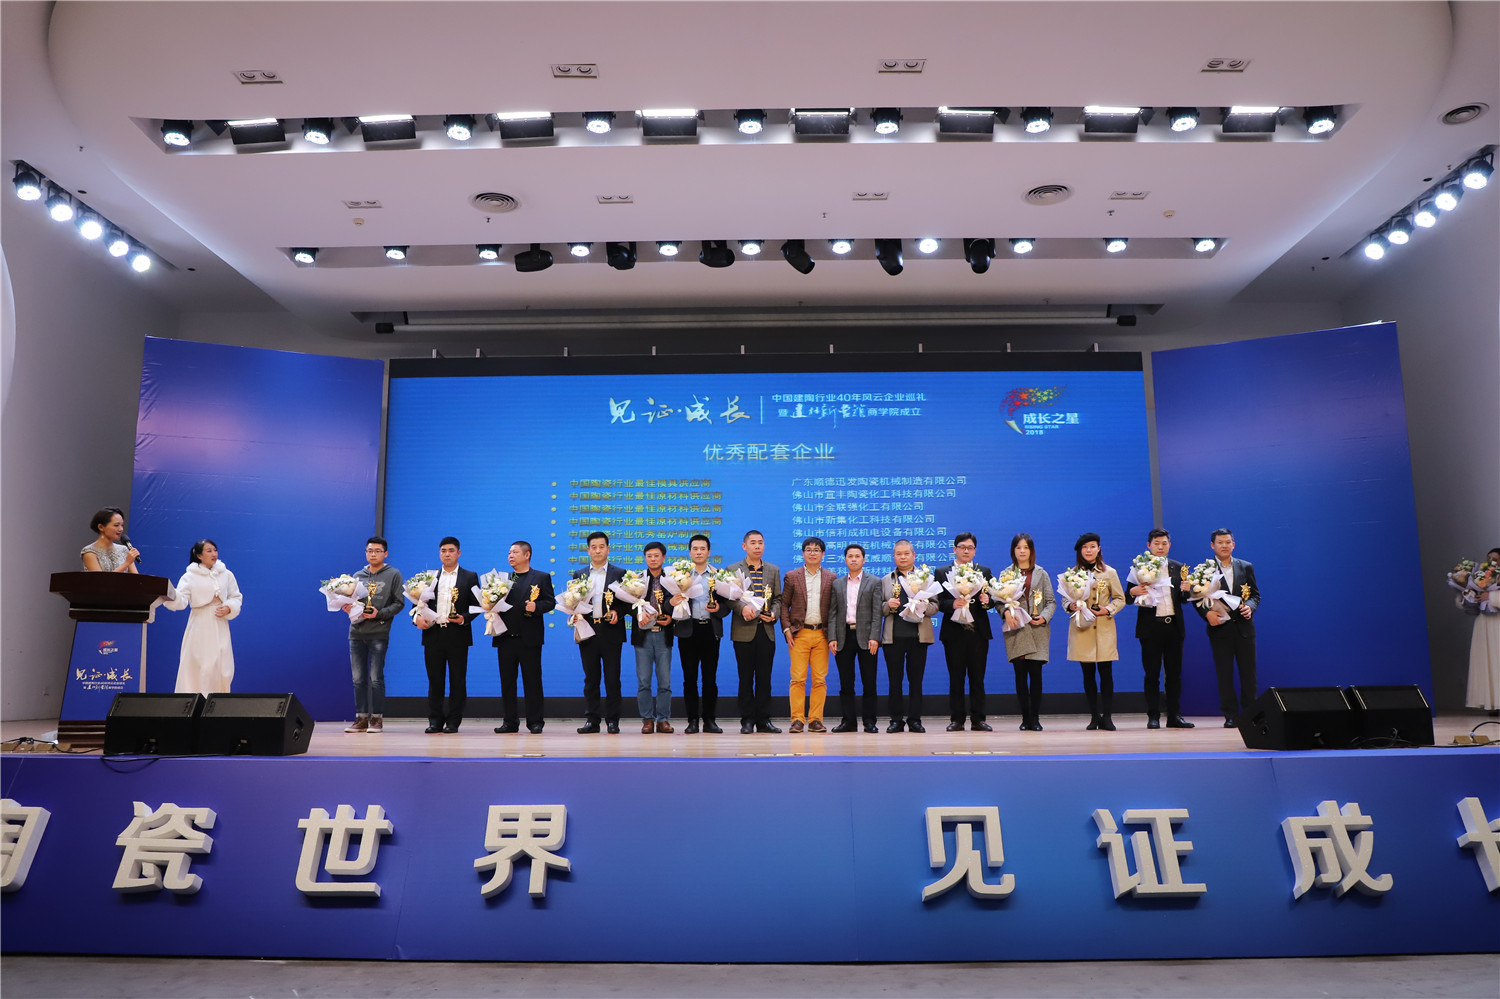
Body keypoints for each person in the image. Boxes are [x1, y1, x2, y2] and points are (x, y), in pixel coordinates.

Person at [1128, 529, 1195, 730]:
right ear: (1148, 545)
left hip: (1173, 626)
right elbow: (1128, 596)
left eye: (1164, 543)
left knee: (1174, 675)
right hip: (1151, 627)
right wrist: (1133, 591)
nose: (1160, 547)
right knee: (1152, 674)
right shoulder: (1139, 567)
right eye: (1156, 543)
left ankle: (1174, 715)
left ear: (1169, 545)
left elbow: (1184, 600)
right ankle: (1153, 716)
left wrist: (1187, 590)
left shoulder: (1178, 567)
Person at [1196, 529, 1261, 727]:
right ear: (1212, 545)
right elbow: (1197, 597)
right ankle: (1230, 715)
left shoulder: (1245, 566)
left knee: (1249, 674)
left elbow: (1255, 595)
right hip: (1220, 628)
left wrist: (1250, 607)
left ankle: (1250, 713)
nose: (1224, 545)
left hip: (1244, 628)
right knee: (1224, 674)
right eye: (1220, 542)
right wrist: (1207, 614)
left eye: (1228, 542)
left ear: (1234, 544)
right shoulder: (1204, 569)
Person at [414, 536, 479, 734]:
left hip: (458, 634)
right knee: (435, 680)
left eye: (451, 550)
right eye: (443, 551)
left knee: (457, 680)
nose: (447, 554)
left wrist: (463, 618)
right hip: (433, 633)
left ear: (459, 553)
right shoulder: (429, 577)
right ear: (439, 553)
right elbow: (417, 604)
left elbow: (477, 605)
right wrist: (417, 618)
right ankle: (435, 720)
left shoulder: (470, 576)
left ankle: (453, 721)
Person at [1062, 533, 1126, 731]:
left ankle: (1108, 717)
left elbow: (1120, 598)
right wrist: (1071, 606)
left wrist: (1108, 609)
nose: (1088, 550)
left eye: (1092, 546)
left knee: (1106, 673)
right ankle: (1094, 716)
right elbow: (1064, 599)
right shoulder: (1072, 574)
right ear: (1079, 551)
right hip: (1083, 628)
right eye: (1084, 547)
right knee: (1088, 674)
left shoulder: (1109, 572)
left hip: (1104, 628)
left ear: (1099, 549)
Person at [492, 540, 555, 734]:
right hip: (505, 638)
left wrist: (537, 607)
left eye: (515, 552)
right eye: (509, 553)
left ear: (527, 555)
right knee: (507, 683)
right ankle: (510, 721)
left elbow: (550, 602)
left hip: (529, 639)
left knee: (532, 681)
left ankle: (535, 722)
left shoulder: (541, 577)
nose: (510, 556)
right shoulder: (501, 580)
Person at [935, 532, 996, 732]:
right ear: (955, 549)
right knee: (956, 677)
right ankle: (957, 720)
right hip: (953, 632)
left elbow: (993, 599)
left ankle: (978, 719)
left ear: (975, 551)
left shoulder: (984, 571)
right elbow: (937, 602)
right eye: (962, 547)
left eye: (970, 548)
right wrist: (952, 603)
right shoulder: (942, 572)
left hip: (978, 632)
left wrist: (987, 601)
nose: (966, 551)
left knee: (978, 677)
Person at [164, 539, 242, 696]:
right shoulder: (190, 576)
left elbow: (236, 597)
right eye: (209, 551)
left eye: (215, 550)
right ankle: (195, 701)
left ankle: (218, 701)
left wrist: (229, 607)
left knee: (223, 666)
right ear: (199, 555)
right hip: (200, 623)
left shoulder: (226, 574)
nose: (214, 554)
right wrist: (168, 594)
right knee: (201, 664)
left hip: (220, 624)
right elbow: (181, 600)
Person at [346, 536, 404, 733]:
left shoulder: (393, 574)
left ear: (385, 553)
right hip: (356, 633)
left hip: (379, 632)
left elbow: (399, 603)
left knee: (375, 678)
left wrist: (380, 614)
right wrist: (347, 607)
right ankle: (361, 718)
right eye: (369, 550)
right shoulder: (357, 575)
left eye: (377, 551)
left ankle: (376, 719)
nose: (373, 554)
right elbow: (352, 601)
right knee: (358, 679)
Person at [674, 534, 730, 733]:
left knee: (709, 678)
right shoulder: (680, 576)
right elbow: (670, 602)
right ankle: (692, 721)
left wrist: (719, 609)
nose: (699, 552)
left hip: (710, 630)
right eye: (695, 549)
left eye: (702, 549)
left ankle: (709, 720)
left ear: (709, 552)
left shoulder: (718, 574)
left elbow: (727, 604)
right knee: (689, 678)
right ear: (690, 552)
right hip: (688, 630)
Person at [727, 529, 782, 734]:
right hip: (744, 631)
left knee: (764, 678)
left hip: (766, 630)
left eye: (760, 542)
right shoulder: (733, 569)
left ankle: (764, 720)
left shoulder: (773, 570)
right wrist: (742, 608)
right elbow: (729, 598)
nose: (757, 546)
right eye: (753, 543)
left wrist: (774, 613)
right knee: (745, 678)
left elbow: (778, 598)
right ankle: (747, 720)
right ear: (744, 546)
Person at [573, 531, 628, 734]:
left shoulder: (619, 573)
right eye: (593, 547)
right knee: (591, 678)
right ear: (588, 550)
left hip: (611, 631)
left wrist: (618, 612)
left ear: (608, 549)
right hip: (587, 630)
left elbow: (627, 602)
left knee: (612, 678)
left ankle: (613, 721)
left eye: (601, 546)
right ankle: (592, 720)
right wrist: (574, 613)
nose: (598, 550)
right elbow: (573, 600)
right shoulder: (579, 574)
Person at [881, 538, 938, 733]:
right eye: (899, 554)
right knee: (894, 681)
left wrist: (922, 606)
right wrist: (888, 606)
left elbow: (935, 606)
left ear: (914, 555)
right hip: (893, 637)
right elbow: (878, 607)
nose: (903, 557)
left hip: (918, 637)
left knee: (916, 681)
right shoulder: (886, 580)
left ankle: (915, 720)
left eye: (906, 553)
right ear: (894, 556)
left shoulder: (926, 578)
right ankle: (896, 720)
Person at [781, 537, 836, 733]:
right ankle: (797, 720)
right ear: (803, 553)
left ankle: (815, 720)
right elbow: (784, 604)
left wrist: (833, 636)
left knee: (820, 679)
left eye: (816, 550)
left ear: (823, 554)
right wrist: (787, 629)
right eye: (809, 550)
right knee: (797, 679)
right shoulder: (792, 576)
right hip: (799, 633)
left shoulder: (831, 577)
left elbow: (834, 609)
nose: (812, 553)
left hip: (822, 634)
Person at [1001, 533, 1055, 732]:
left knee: (1036, 675)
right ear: (1013, 550)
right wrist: (1005, 612)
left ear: (1031, 550)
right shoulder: (1006, 573)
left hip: (1037, 629)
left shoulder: (1042, 573)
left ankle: (1035, 718)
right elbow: (999, 601)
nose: (1022, 551)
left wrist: (1044, 617)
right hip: (1017, 629)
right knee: (1020, 676)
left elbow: (1051, 602)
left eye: (1026, 547)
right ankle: (1025, 718)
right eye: (1018, 547)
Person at [828, 543, 884, 733]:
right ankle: (848, 721)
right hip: (843, 636)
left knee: (869, 682)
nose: (853, 559)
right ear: (845, 560)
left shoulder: (874, 581)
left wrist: (875, 637)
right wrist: (832, 637)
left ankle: (870, 722)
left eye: (857, 556)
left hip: (867, 638)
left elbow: (877, 613)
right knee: (846, 683)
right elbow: (833, 613)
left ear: (863, 560)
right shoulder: (837, 583)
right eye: (850, 556)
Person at [631, 541, 675, 733]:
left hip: (664, 634)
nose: (653, 559)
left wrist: (672, 619)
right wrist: (638, 614)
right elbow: (628, 604)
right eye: (649, 556)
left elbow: (680, 604)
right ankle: (647, 719)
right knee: (644, 681)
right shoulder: (637, 580)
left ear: (663, 558)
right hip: (643, 636)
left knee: (664, 682)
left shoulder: (673, 579)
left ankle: (663, 720)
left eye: (656, 556)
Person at [1464, 548, 1500, 712]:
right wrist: (1469, 596)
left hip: (1497, 625)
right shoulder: (1480, 577)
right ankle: (1490, 703)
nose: (1491, 562)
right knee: (1485, 662)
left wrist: (1491, 597)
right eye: (1489, 558)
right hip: (1483, 623)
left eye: (1495, 559)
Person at [80, 507, 139, 573]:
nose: (121, 529)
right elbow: (100, 578)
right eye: (116, 525)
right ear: (101, 527)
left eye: (122, 525)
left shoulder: (124, 550)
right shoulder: (89, 552)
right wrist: (126, 563)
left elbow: (136, 578)